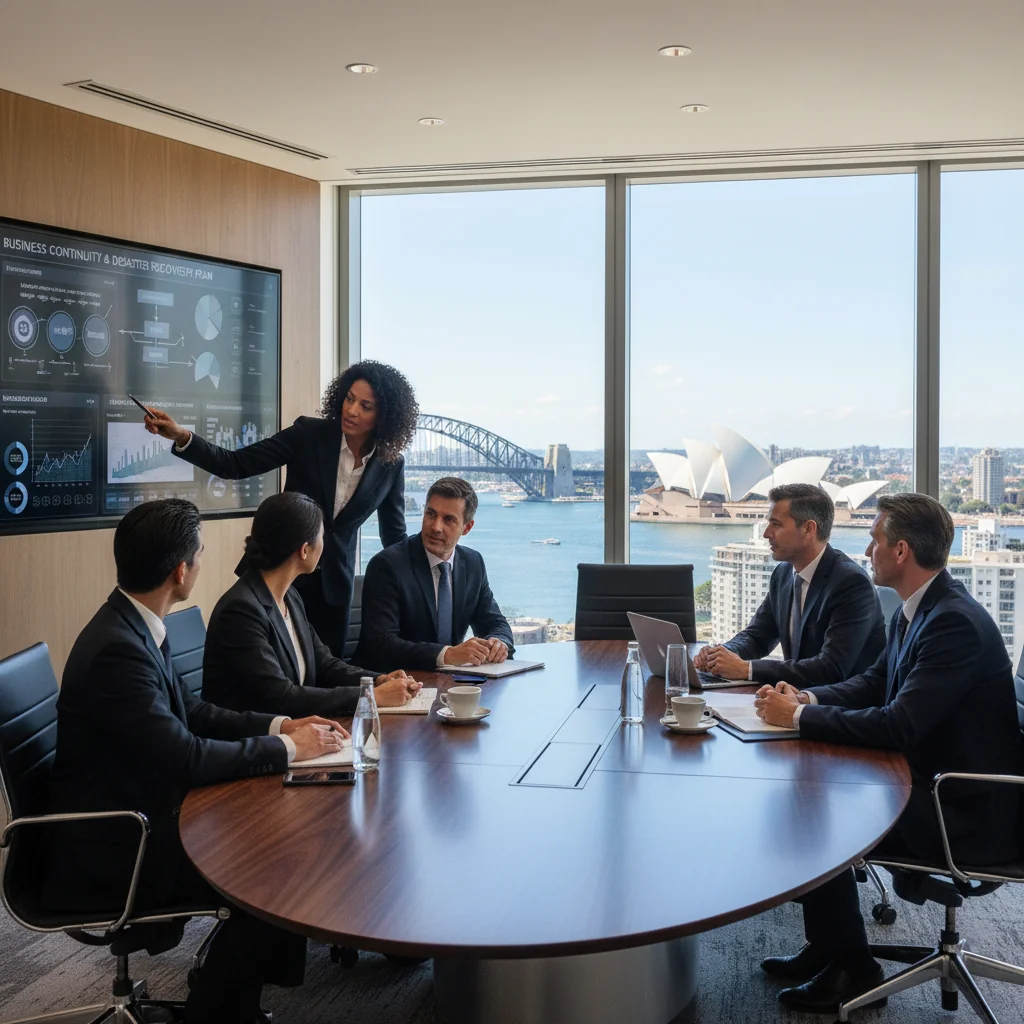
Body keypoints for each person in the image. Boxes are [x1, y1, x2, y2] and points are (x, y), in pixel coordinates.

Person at [44, 499, 348, 1023]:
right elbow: (185, 757)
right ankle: (219, 1010)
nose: (204, 562)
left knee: (279, 846)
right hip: (115, 842)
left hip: (139, 808)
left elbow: (197, 712)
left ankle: (230, 998)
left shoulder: (133, 623)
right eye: (200, 553)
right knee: (273, 871)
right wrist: (290, 751)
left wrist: (281, 728)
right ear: (181, 570)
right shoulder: (120, 649)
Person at [754, 493, 1022, 1014]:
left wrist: (801, 719)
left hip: (961, 807)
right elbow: (876, 682)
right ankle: (830, 946)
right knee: (809, 785)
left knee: (819, 807)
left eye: (874, 538)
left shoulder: (952, 624)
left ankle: (854, 968)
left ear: (901, 551)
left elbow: (898, 724)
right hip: (929, 779)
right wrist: (804, 699)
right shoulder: (921, 608)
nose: (866, 548)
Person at [143, 360, 419, 656]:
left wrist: (418, 584)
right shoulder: (308, 434)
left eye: (366, 406)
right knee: (269, 671)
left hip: (335, 590)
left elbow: (394, 536)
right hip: (278, 575)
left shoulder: (391, 464)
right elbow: (234, 464)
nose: (351, 410)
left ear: (384, 417)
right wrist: (182, 436)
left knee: (328, 676)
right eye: (350, 399)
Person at [203, 491, 422, 717]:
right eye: (322, 536)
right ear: (304, 550)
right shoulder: (241, 611)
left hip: (294, 731)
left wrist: (377, 680)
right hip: (254, 741)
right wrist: (371, 696)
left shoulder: (290, 596)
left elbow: (325, 664)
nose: (324, 544)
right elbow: (281, 696)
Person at [695, 483, 886, 687]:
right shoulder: (784, 573)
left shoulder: (851, 583)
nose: (766, 533)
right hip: (795, 700)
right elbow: (758, 636)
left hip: (841, 709)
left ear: (808, 529)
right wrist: (721, 654)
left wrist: (746, 669)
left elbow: (831, 669)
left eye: (776, 524)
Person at [356, 477, 515, 671]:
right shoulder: (387, 565)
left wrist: (499, 643)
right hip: (393, 683)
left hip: (448, 683)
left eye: (448, 519)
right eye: (431, 514)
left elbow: (494, 622)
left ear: (467, 527)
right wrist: (447, 655)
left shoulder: (473, 563)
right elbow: (381, 644)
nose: (436, 527)